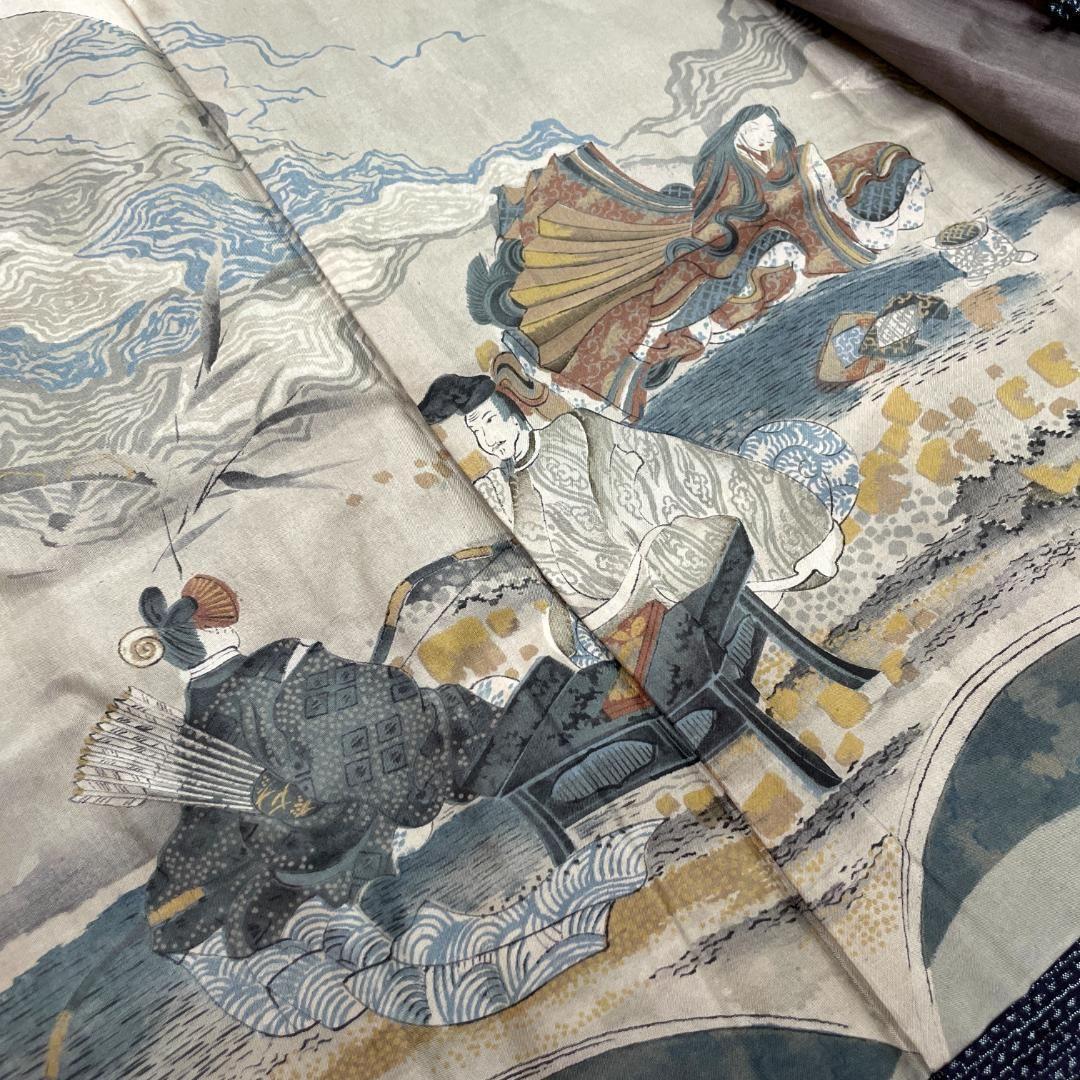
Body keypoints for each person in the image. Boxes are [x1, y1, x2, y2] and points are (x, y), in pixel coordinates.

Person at [120, 574, 619, 957]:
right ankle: (593, 708)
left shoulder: (197, 728)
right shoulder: (280, 663)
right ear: (216, 630)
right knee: (472, 707)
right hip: (365, 811)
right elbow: (376, 715)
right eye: (225, 621)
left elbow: (206, 830)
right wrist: (395, 689)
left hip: (308, 854)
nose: (231, 626)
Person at [467, 103, 929, 420]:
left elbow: (784, 202)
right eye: (756, 128)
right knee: (689, 283)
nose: (765, 135)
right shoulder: (729, 163)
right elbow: (720, 207)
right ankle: (642, 340)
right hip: (711, 238)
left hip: (737, 242)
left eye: (769, 130)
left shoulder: (780, 164)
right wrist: (745, 221)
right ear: (740, 132)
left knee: (746, 267)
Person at [419, 373, 844, 640]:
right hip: (605, 585)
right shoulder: (511, 487)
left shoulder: (572, 432)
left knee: (673, 539)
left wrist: (626, 525)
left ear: (514, 415)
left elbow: (643, 462)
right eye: (477, 432)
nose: (487, 439)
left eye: (490, 422)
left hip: (638, 546)